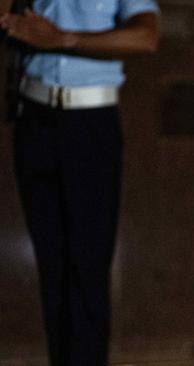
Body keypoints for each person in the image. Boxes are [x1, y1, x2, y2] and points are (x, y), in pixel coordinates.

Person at [0, 1, 159, 365]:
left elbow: (147, 37)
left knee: (87, 269)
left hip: (90, 122)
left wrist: (63, 38)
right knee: (51, 268)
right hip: (34, 118)